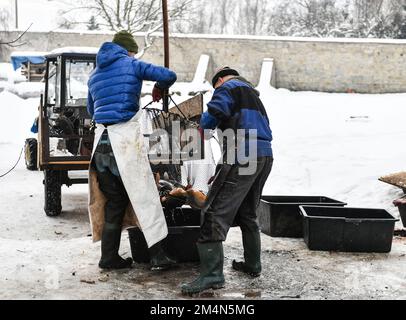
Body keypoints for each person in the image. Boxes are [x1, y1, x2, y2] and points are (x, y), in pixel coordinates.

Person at [87, 30, 177, 271]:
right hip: (124, 141)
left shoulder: (94, 75)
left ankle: (109, 258)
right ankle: (158, 257)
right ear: (128, 51)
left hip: (101, 145)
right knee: (144, 197)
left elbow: (90, 109)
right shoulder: (131, 64)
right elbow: (169, 75)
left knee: (115, 202)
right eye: (133, 52)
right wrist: (159, 86)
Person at [181, 67, 274, 295]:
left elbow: (215, 112)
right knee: (248, 213)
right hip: (264, 154)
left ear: (220, 80)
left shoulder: (227, 88)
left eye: (216, 86)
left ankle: (212, 276)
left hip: (242, 153)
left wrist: (202, 125)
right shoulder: (253, 95)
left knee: (212, 213)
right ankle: (253, 264)